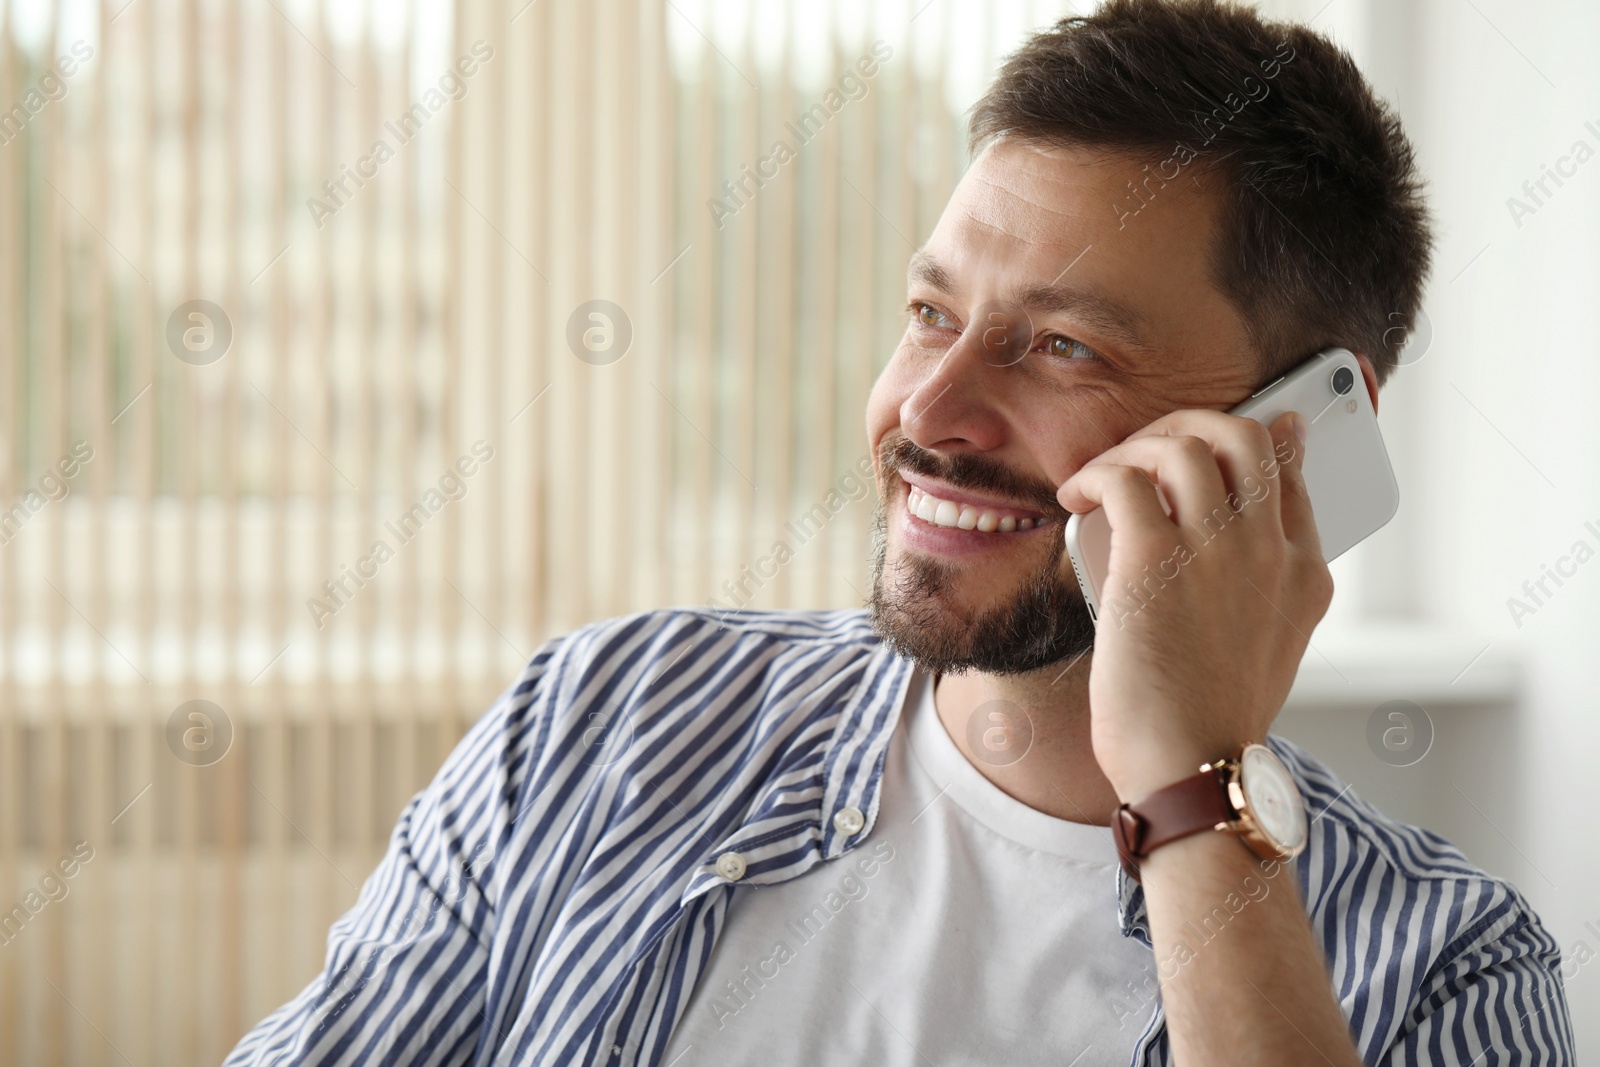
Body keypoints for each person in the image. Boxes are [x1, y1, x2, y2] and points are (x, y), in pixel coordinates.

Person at [226, 1, 1574, 1063]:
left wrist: (1189, 788)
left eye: (1061, 346)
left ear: (1295, 444)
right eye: (930, 314)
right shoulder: (601, 722)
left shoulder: (1449, 968)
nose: (927, 409)